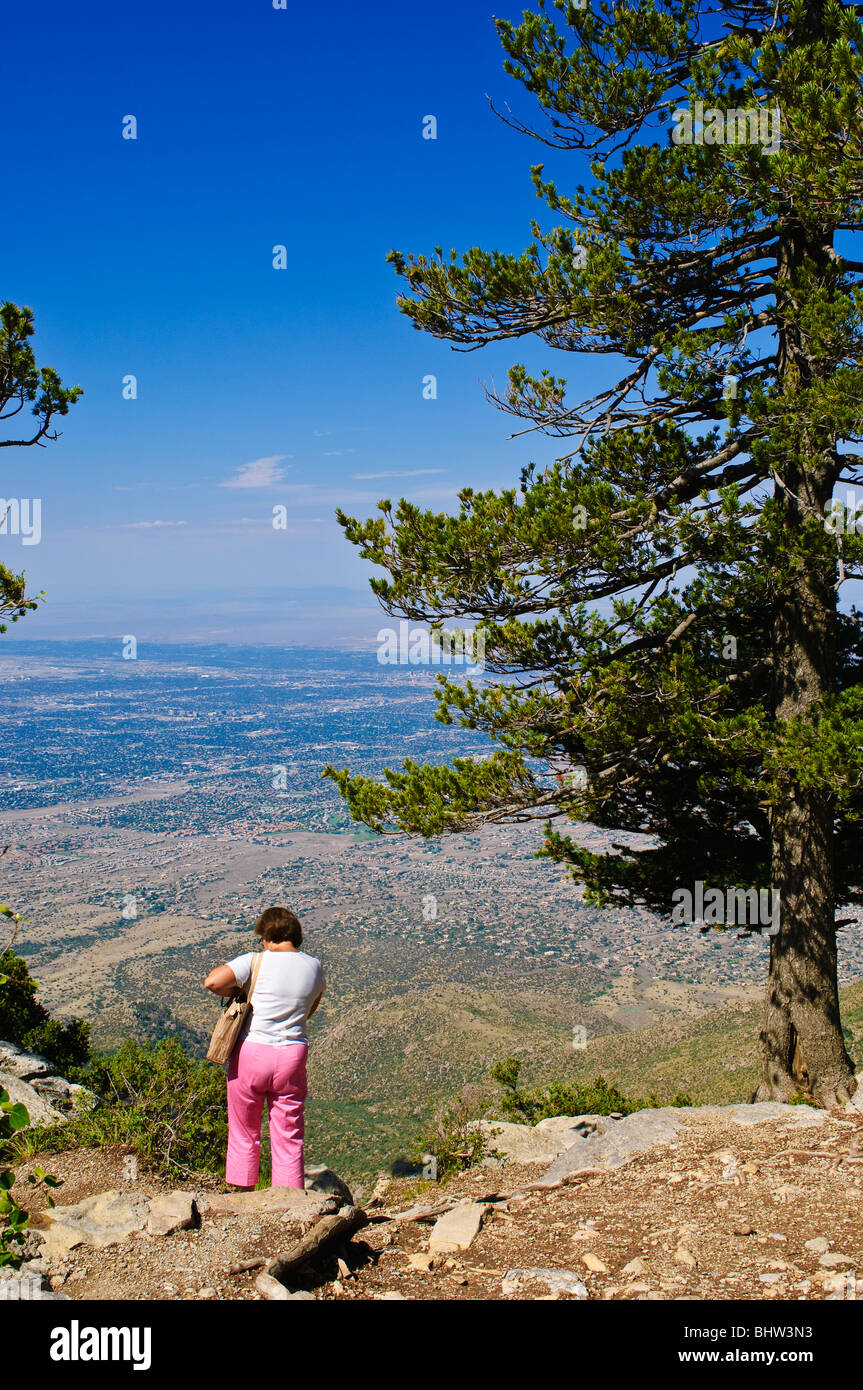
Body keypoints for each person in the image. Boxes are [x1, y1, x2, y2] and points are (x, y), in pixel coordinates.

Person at [203, 906, 325, 1190]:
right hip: (292, 1054)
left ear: (270, 935)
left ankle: (242, 1194)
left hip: (253, 1052)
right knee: (289, 1134)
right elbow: (310, 1009)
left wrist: (239, 991)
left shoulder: (256, 961)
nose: (261, 943)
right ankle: (288, 1203)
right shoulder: (315, 966)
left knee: (244, 1130)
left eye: (262, 937)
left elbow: (212, 981)